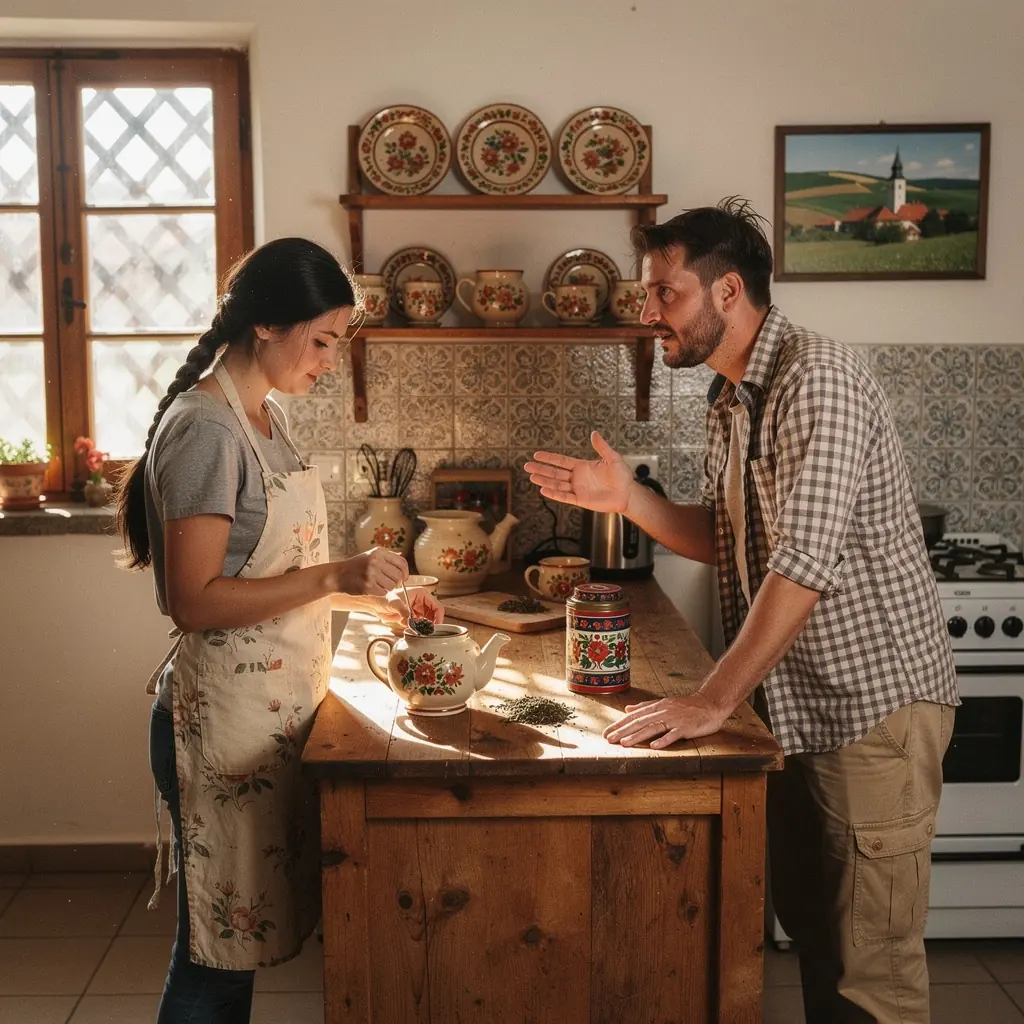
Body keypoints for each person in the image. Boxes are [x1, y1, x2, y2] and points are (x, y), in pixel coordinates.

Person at [526, 199, 958, 1024]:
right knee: (819, 942)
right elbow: (732, 539)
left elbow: (801, 566)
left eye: (665, 293)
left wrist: (710, 701)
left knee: (872, 974)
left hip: (870, 709)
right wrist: (629, 498)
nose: (648, 311)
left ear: (728, 292)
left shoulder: (815, 379)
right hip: (795, 709)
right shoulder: (733, 395)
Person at [115, 237, 442, 1023]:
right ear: (266, 324)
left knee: (239, 949)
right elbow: (194, 601)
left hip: (267, 719)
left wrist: (371, 595)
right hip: (221, 726)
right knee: (217, 961)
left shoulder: (262, 418)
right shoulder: (207, 429)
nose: (329, 362)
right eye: (323, 340)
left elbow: (266, 575)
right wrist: (335, 576)